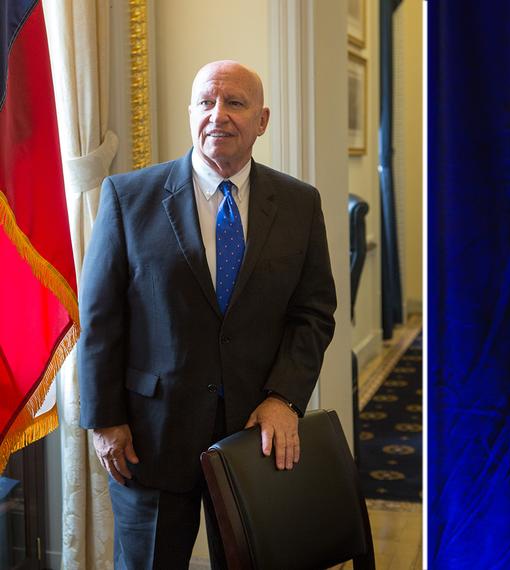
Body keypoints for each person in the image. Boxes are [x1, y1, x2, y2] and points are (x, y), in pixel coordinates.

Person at [78, 60, 336, 569]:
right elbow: (100, 320)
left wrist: (285, 397)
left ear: (262, 120)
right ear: (190, 112)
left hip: (254, 434)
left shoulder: (299, 203)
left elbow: (313, 313)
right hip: (149, 437)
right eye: (205, 102)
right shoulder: (127, 197)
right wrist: (105, 420)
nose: (217, 115)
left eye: (234, 103)